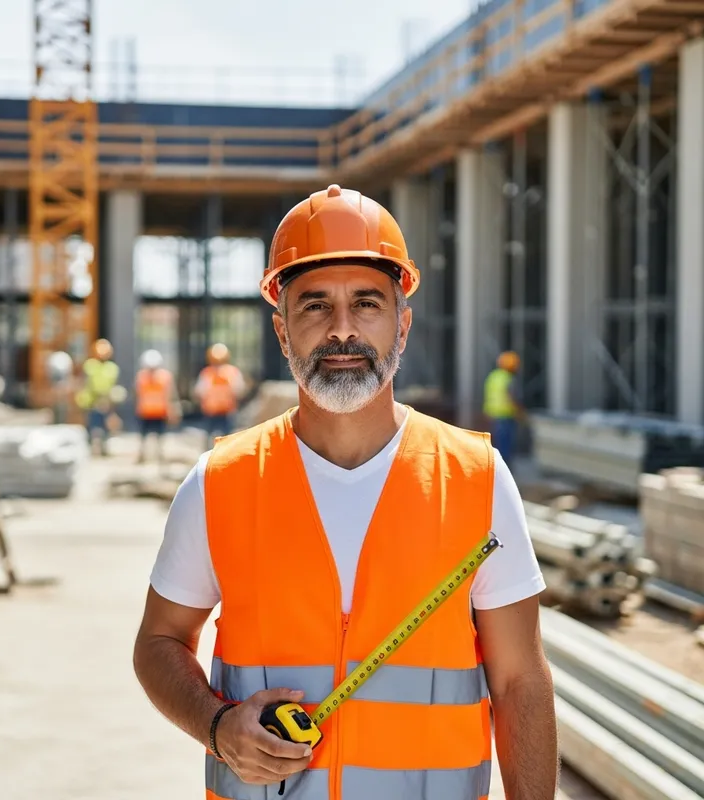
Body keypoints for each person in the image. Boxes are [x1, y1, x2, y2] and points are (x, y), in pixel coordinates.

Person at [133, 185, 557, 800]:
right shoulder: (221, 482)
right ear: (282, 333)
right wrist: (218, 726)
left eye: (366, 304)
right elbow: (157, 642)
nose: (341, 331)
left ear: (401, 325)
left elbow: (521, 680)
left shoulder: (475, 478)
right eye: (313, 307)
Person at [193, 343, 245, 447]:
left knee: (221, 439)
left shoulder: (209, 373)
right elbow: (240, 390)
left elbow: (199, 392)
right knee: (225, 440)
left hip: (224, 411)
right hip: (215, 411)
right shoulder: (228, 372)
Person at [75, 338, 121, 456]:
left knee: (106, 427)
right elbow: (84, 383)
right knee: (91, 427)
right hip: (91, 402)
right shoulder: (90, 365)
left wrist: (110, 402)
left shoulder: (112, 368)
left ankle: (104, 448)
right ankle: (89, 449)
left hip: (105, 402)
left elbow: (112, 386)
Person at [134, 349, 180, 464]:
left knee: (161, 437)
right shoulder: (141, 376)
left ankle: (160, 456)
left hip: (160, 412)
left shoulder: (165, 376)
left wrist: (172, 411)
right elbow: (137, 394)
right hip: (145, 412)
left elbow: (170, 394)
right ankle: (142, 455)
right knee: (143, 436)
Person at [483, 351, 523, 468]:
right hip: (505, 415)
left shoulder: (494, 376)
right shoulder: (508, 378)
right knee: (505, 444)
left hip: (493, 414)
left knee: (498, 443)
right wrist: (520, 413)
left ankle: (498, 467)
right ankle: (504, 468)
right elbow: (512, 398)